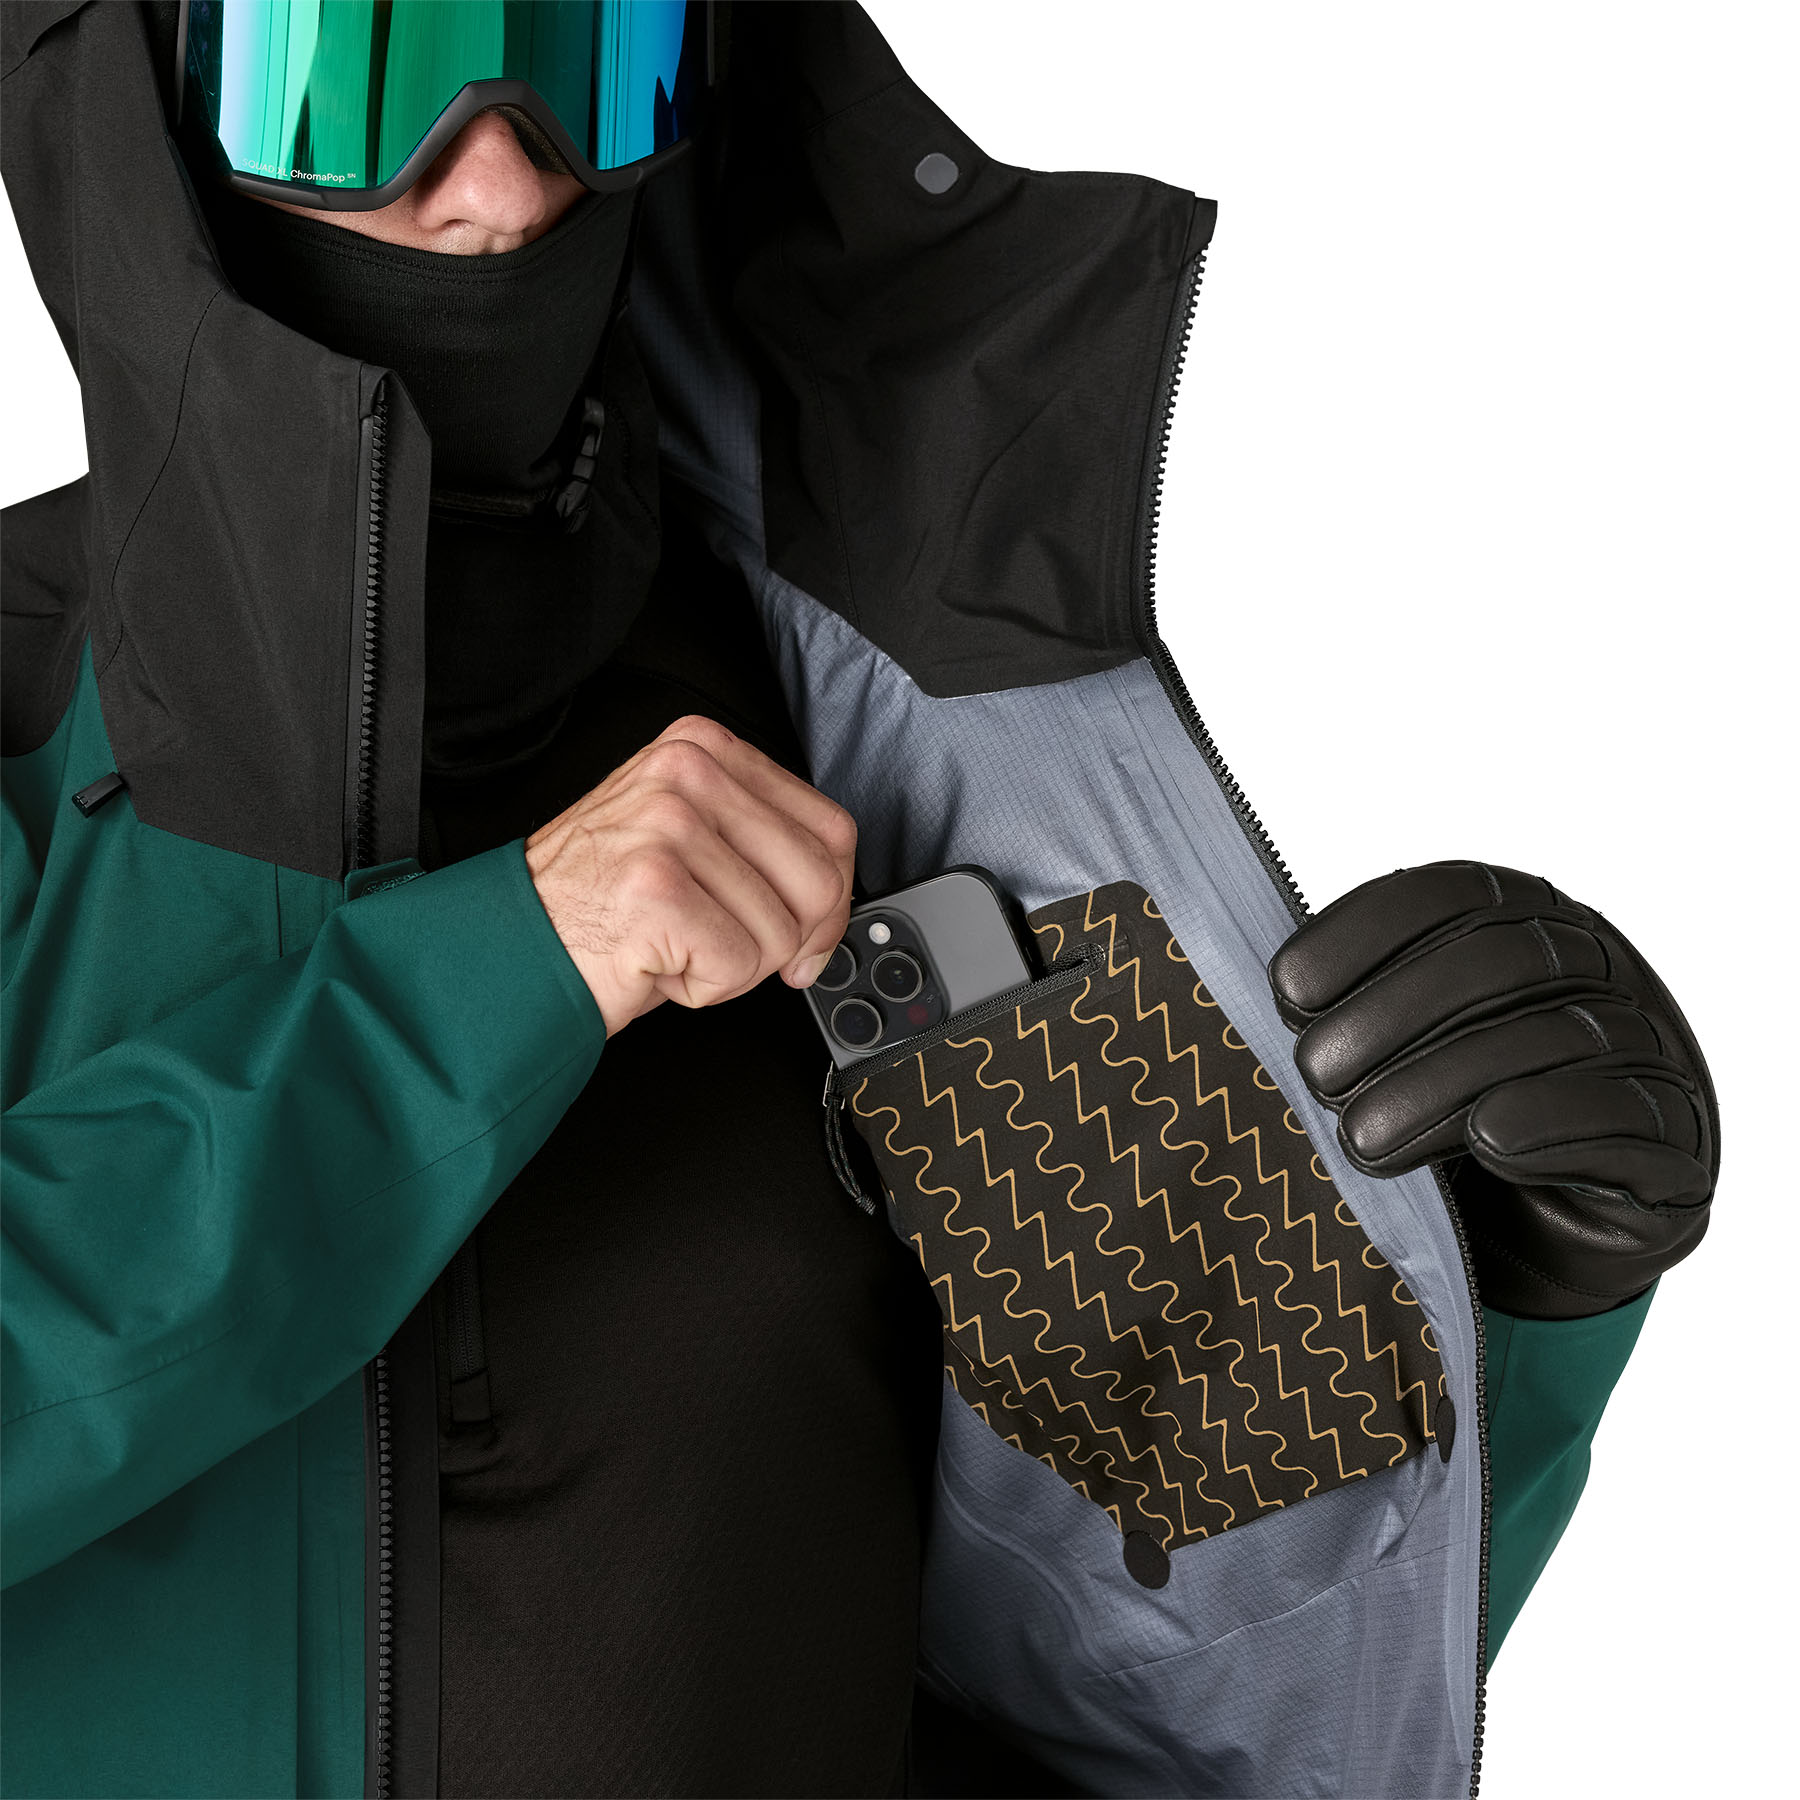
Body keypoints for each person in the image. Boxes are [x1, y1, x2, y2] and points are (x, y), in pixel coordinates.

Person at [0, 4, 1717, 1798]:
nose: (500, 183)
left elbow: (1197, 1673)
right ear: (130, 93)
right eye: (349, 68)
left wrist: (1512, 1302)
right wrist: (499, 975)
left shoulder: (899, 762)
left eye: (588, 47)